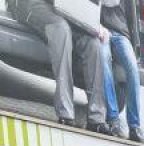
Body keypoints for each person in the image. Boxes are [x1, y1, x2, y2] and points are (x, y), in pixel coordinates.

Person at [10, 0, 109, 133]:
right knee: (61, 29)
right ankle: (65, 112)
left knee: (93, 43)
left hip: (65, 8)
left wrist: (94, 24)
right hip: (34, 4)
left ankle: (96, 118)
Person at [99, 0, 144, 143]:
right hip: (100, 30)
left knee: (132, 67)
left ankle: (134, 126)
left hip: (121, 34)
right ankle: (113, 119)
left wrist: (135, 45)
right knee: (103, 58)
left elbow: (132, 16)